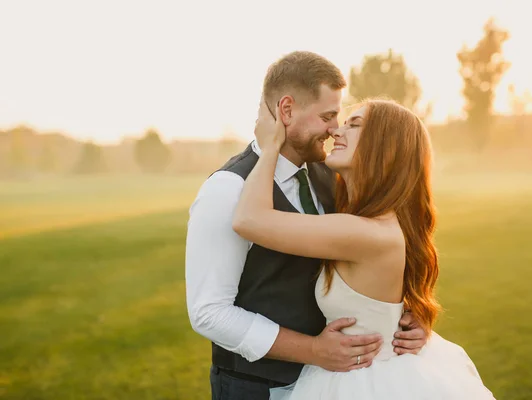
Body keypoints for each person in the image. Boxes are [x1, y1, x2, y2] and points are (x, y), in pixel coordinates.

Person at [185, 51, 428, 400]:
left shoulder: (332, 174)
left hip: (338, 382)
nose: (334, 129)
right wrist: (312, 351)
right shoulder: (228, 189)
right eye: (328, 116)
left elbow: (368, 263)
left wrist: (402, 318)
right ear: (286, 111)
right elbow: (209, 313)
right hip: (257, 387)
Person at [231, 96, 496, 399]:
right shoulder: (369, 221)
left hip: (365, 382)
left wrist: (269, 147)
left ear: (385, 148)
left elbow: (249, 220)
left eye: (354, 125)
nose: (336, 132)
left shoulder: (365, 233)